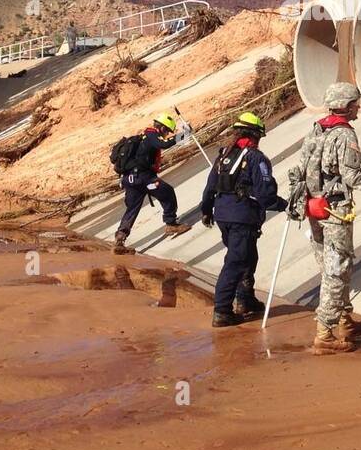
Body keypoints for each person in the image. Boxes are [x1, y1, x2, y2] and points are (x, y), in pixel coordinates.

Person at [289, 82, 361, 354]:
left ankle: (343, 319)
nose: (358, 108)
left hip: (314, 209)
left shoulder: (317, 129)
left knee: (330, 266)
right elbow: (353, 176)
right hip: (335, 211)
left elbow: (299, 170)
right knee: (337, 270)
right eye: (356, 104)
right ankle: (325, 333)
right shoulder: (344, 135)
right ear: (347, 106)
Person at [201, 112, 286, 327]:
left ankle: (245, 299)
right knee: (236, 262)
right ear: (255, 135)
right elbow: (266, 195)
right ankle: (222, 311)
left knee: (248, 257)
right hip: (242, 216)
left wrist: (206, 211)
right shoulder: (256, 158)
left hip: (222, 214)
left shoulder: (223, 155)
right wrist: (285, 205)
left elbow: (210, 186)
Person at [111, 113, 189, 254]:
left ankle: (120, 237)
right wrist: (184, 135)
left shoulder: (143, 137)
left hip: (130, 180)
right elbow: (164, 144)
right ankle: (171, 223)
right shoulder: (152, 135)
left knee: (132, 208)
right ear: (161, 128)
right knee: (167, 192)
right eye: (166, 131)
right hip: (144, 179)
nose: (166, 134)